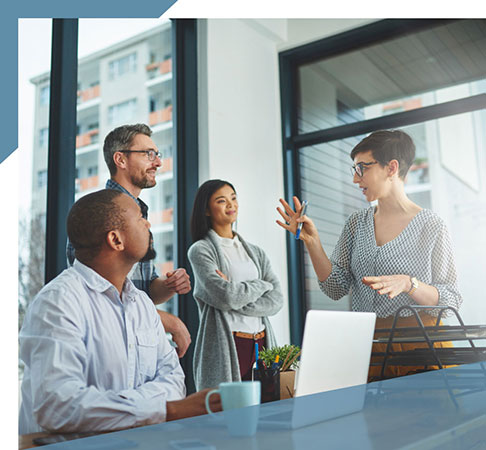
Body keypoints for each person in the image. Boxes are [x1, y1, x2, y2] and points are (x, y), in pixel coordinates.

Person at [19, 190, 221, 434]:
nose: (148, 223)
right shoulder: (58, 302)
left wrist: (117, 408)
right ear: (116, 240)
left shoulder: (142, 304)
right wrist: (167, 411)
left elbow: (175, 381)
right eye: (139, 218)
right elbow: (58, 407)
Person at [277, 130, 462, 379]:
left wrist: (409, 284)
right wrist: (312, 241)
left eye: (362, 168)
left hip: (422, 349)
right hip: (367, 348)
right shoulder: (356, 223)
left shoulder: (432, 225)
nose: (355, 178)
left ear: (391, 168)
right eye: (354, 169)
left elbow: (451, 300)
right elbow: (334, 288)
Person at [67, 123, 191, 357]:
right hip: (108, 346)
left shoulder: (140, 214)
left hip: (137, 341)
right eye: (149, 154)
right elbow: (101, 296)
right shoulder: (97, 213)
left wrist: (169, 285)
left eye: (157, 155)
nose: (158, 162)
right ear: (120, 160)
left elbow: (146, 291)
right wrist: (168, 321)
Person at [187, 180, 284, 390]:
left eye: (233, 197)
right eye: (221, 201)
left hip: (262, 342)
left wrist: (237, 293)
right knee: (229, 414)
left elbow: (276, 301)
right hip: (230, 344)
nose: (231, 204)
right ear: (206, 210)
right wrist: (261, 285)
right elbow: (226, 297)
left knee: (267, 411)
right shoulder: (201, 250)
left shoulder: (256, 252)